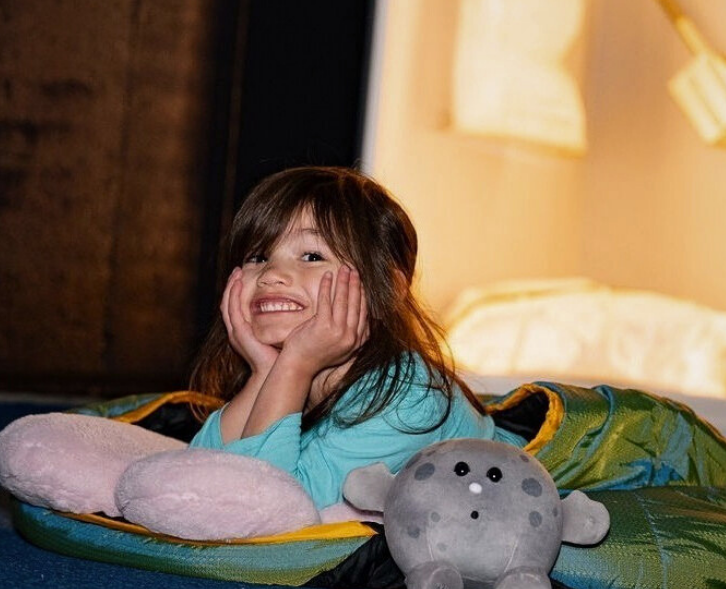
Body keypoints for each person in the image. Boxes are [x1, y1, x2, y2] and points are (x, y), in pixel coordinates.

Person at [186, 166, 526, 511]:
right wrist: (265, 373)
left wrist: (293, 366)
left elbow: (263, 505)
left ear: (386, 290)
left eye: (312, 256)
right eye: (258, 256)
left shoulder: (411, 399)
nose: (271, 274)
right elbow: (196, 479)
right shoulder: (286, 375)